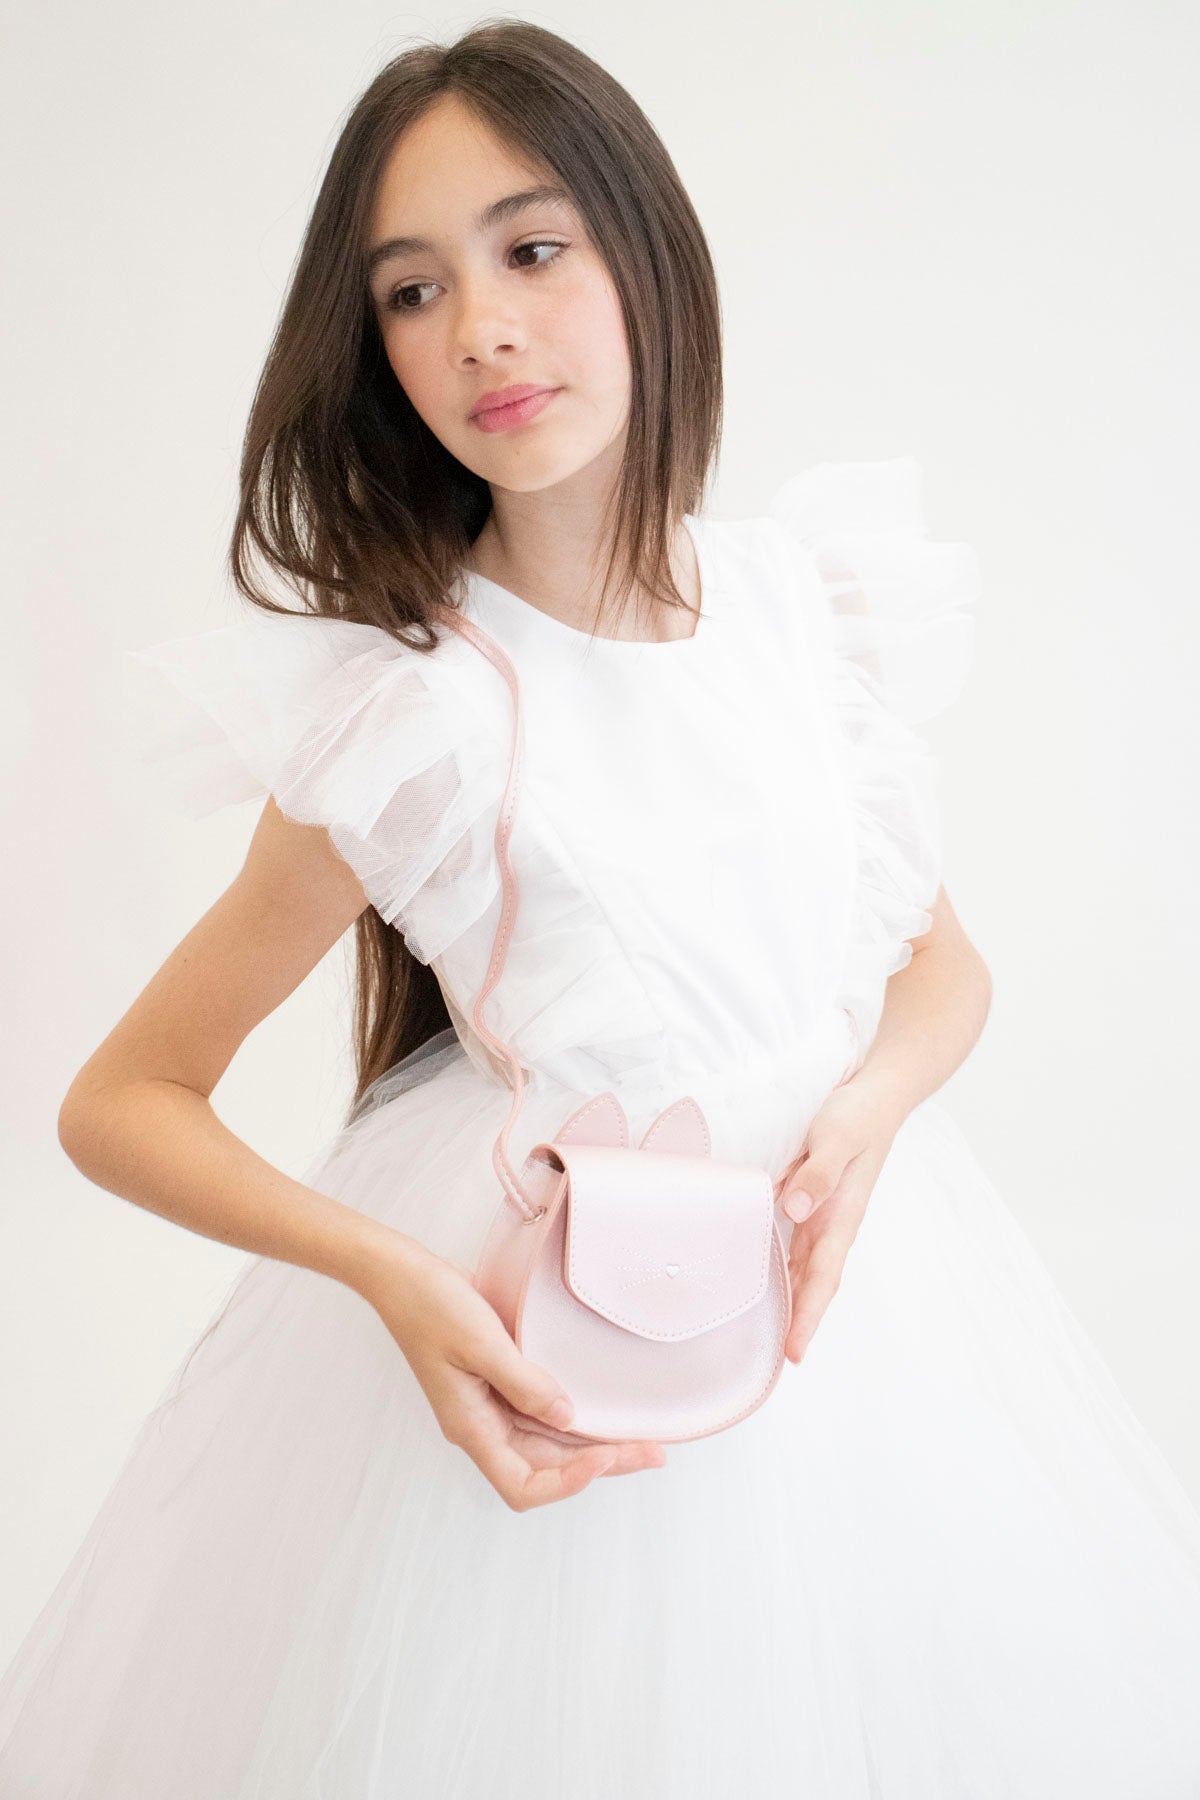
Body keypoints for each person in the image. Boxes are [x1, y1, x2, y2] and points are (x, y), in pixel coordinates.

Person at [4, 19, 1200, 1797]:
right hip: (566, 1346)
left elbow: (942, 966)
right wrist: (398, 1279)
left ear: (647, 255)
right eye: (413, 291)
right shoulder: (412, 716)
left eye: (533, 250)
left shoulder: (807, 610)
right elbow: (123, 1100)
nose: (481, 327)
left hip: (867, 1338)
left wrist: (865, 1110)